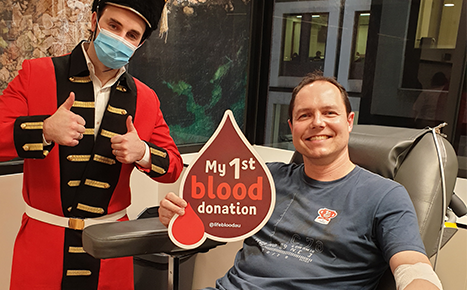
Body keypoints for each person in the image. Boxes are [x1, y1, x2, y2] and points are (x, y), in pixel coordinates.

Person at [158, 73, 443, 290]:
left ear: (349, 121)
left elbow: (412, 264)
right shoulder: (262, 178)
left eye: (329, 113)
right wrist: (177, 215)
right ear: (292, 128)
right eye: (305, 115)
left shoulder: (384, 195)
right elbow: (206, 222)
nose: (317, 123)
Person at [0, 0, 183, 289]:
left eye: (132, 35)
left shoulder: (146, 99)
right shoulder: (36, 73)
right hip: (42, 246)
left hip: (112, 252)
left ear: (140, 43)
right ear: (95, 19)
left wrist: (144, 153)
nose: (120, 38)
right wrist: (44, 129)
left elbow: (173, 166)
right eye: (113, 26)